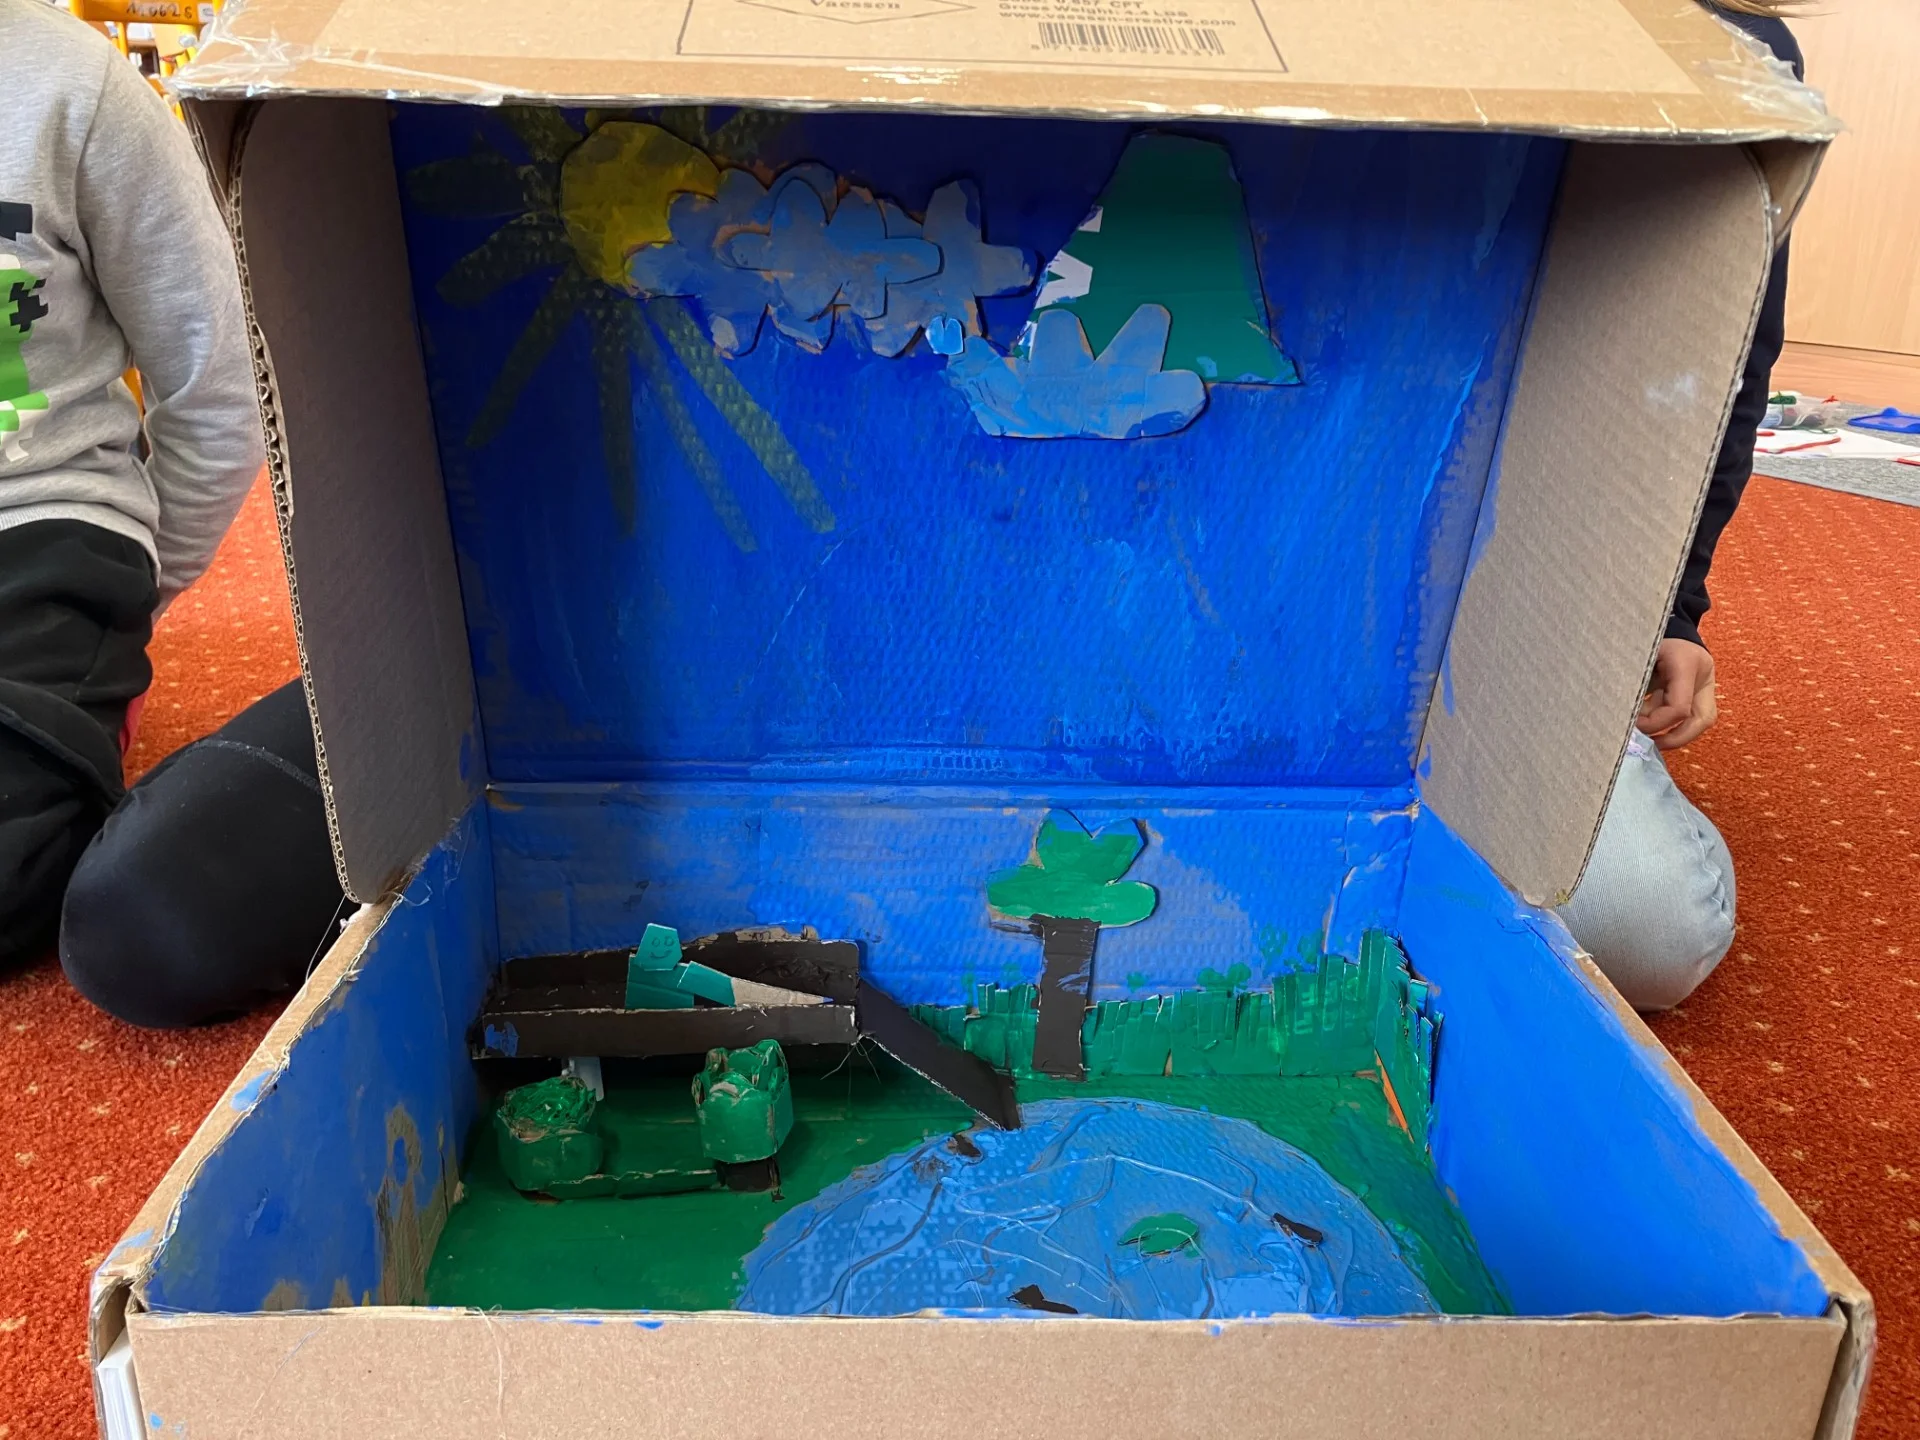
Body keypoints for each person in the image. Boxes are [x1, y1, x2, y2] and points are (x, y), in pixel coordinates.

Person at [2, 1, 340, 1026]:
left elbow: (218, 378)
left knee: (45, 884)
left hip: (41, 531)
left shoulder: (72, 87)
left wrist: (141, 588)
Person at [1557, 4, 1804, 1010]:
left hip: (1525, 596)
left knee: (1650, 931)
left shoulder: (1722, 49)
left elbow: (1717, 375)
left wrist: (1667, 610)